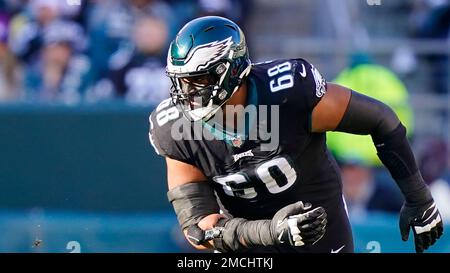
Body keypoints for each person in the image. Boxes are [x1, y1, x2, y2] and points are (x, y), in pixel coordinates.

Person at [149, 16, 443, 253]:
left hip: (321, 230)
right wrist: (270, 232)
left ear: (233, 70)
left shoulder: (288, 93)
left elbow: (380, 119)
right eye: (182, 82)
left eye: (199, 80)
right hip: (247, 245)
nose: (188, 93)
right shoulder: (176, 129)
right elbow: (199, 229)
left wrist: (419, 199)